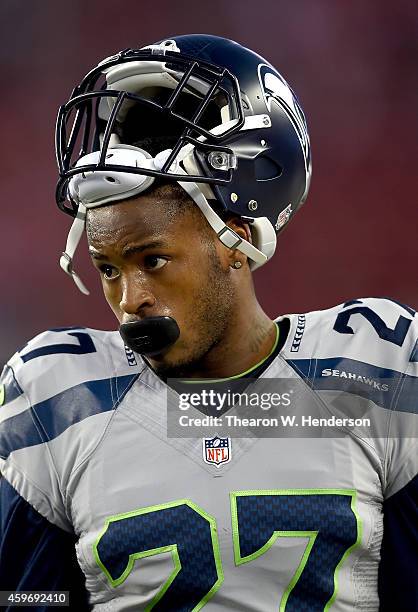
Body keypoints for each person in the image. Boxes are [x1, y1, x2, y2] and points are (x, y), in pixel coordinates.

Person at [0, 34, 417, 612]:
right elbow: (27, 600)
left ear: (237, 242)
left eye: (153, 260)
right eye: (108, 269)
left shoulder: (373, 371)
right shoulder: (61, 398)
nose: (130, 299)